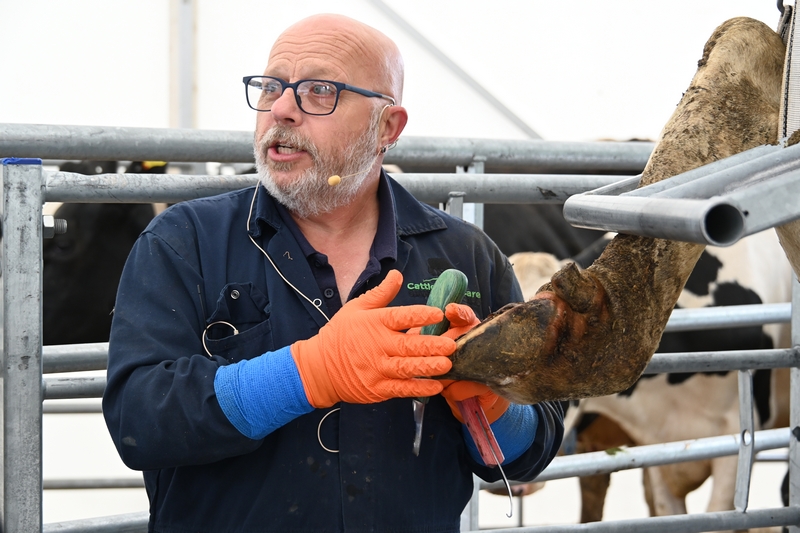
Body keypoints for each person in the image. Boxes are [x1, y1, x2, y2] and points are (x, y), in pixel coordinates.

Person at [102, 13, 563, 533]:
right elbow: (139, 423)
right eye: (272, 86)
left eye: (318, 91)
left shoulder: (465, 256)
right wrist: (310, 372)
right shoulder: (184, 242)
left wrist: (491, 404)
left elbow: (531, 453)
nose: (281, 109)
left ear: (387, 127)